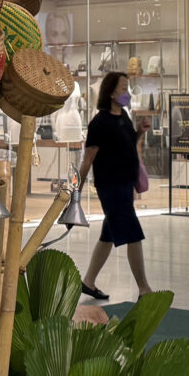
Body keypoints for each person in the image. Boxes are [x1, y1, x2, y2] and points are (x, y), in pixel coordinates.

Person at [74, 70, 151, 301]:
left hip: (125, 185)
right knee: (133, 233)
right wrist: (76, 191)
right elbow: (88, 159)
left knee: (108, 235)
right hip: (111, 186)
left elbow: (128, 143)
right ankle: (144, 288)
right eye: (124, 89)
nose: (127, 93)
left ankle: (88, 282)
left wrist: (140, 132)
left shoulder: (124, 117)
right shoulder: (99, 123)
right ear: (111, 93)